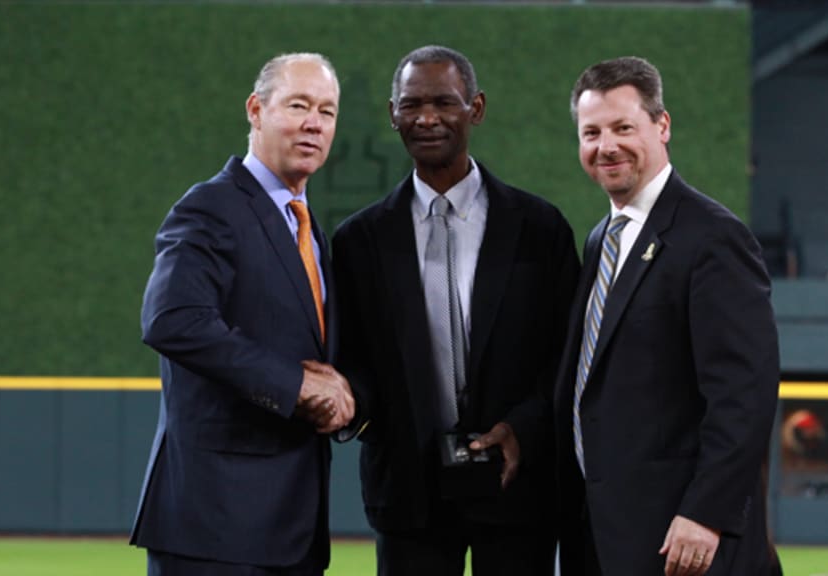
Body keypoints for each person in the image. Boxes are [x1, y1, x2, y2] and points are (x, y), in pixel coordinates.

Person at [332, 45, 579, 576]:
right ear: (392, 113)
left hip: (517, 487)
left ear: (476, 108)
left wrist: (523, 428)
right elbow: (351, 356)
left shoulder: (540, 229)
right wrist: (349, 400)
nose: (426, 118)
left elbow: (567, 353)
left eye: (444, 102)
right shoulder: (358, 241)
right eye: (411, 104)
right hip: (407, 496)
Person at [555, 56, 781, 576]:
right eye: (591, 132)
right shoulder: (599, 241)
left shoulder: (714, 238)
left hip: (682, 542)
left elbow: (743, 394)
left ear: (662, 126)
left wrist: (706, 512)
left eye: (622, 128)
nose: (605, 146)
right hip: (603, 534)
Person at [130, 52, 354, 576]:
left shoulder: (310, 228)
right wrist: (293, 385)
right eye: (298, 105)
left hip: (291, 530)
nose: (314, 123)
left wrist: (346, 394)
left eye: (327, 111)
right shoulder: (209, 206)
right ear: (255, 110)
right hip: (215, 529)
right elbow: (172, 319)